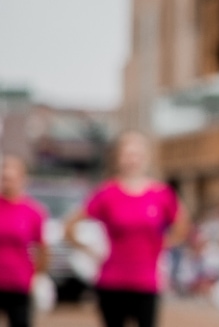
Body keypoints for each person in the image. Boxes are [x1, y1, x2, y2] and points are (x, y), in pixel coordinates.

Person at [65, 131, 183, 327]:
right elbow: (70, 225)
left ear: (146, 158)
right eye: (127, 154)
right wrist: (90, 251)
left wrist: (162, 246)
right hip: (112, 280)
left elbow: (181, 226)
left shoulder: (161, 194)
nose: (132, 160)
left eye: (136, 154)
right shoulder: (107, 193)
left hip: (146, 281)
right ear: (118, 158)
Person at [0, 158, 48, 326]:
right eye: (4, 178)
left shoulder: (33, 211)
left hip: (19, 282)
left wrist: (36, 275)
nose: (7, 182)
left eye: (11, 178)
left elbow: (42, 248)